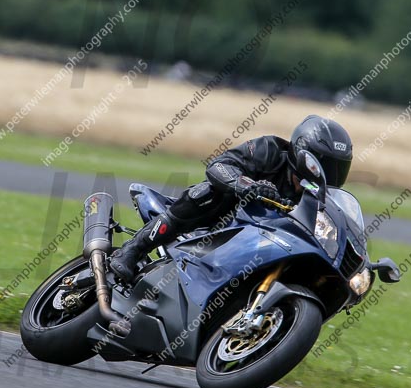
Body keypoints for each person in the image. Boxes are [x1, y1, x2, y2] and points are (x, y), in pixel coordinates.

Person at [109, 115, 354, 283]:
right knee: (208, 193)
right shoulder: (268, 149)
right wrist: (246, 184)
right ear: (302, 153)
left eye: (337, 167)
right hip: (224, 219)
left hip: (263, 244)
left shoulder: (319, 199)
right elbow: (220, 166)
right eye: (324, 164)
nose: (330, 173)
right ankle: (133, 249)